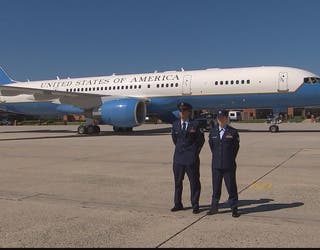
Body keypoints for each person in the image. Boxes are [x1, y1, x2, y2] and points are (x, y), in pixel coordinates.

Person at [171, 102, 205, 214]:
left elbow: (200, 141)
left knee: (194, 182)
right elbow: (175, 140)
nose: (182, 112)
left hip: (191, 159)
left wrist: (194, 153)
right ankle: (178, 204)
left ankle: (195, 205)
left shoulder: (195, 124)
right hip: (178, 159)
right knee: (177, 182)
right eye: (180, 110)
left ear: (189, 112)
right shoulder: (175, 124)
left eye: (184, 110)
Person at [207, 109, 240, 217]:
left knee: (231, 187)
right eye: (219, 118)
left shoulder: (233, 132)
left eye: (223, 118)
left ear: (227, 119)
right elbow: (212, 147)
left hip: (228, 165)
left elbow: (235, 148)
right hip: (216, 165)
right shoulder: (213, 132)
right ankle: (214, 207)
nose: (221, 120)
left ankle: (234, 208)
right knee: (216, 187)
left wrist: (228, 158)